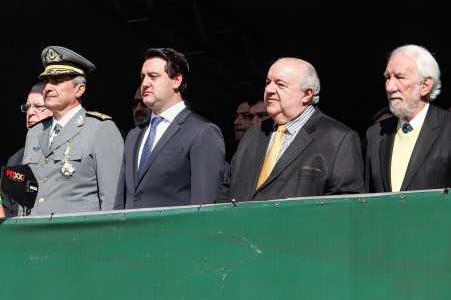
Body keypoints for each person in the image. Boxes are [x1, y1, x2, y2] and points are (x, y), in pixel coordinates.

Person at [216, 58, 364, 203]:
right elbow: (228, 189)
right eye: (268, 83)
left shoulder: (339, 139)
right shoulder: (255, 132)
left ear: (307, 94)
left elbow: (345, 204)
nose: (269, 90)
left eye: (280, 84)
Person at [114, 48, 226, 209]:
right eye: (142, 77)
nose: (145, 83)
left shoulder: (202, 132)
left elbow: (204, 204)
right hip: (132, 233)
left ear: (177, 80)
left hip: (174, 233)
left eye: (153, 76)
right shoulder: (134, 135)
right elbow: (122, 198)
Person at [22, 46, 124, 215]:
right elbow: (24, 196)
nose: (48, 87)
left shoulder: (100, 128)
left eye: (58, 81)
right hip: (34, 237)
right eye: (47, 81)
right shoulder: (35, 132)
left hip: (79, 238)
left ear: (79, 89)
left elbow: (112, 202)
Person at [365, 45, 451, 192]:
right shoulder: (376, 134)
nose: (390, 87)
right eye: (387, 78)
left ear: (425, 85)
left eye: (399, 77)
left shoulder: (448, 128)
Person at [3, 83, 52, 217]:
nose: (30, 113)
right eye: (27, 107)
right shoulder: (15, 158)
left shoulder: (61, 150)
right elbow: (8, 206)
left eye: (38, 106)